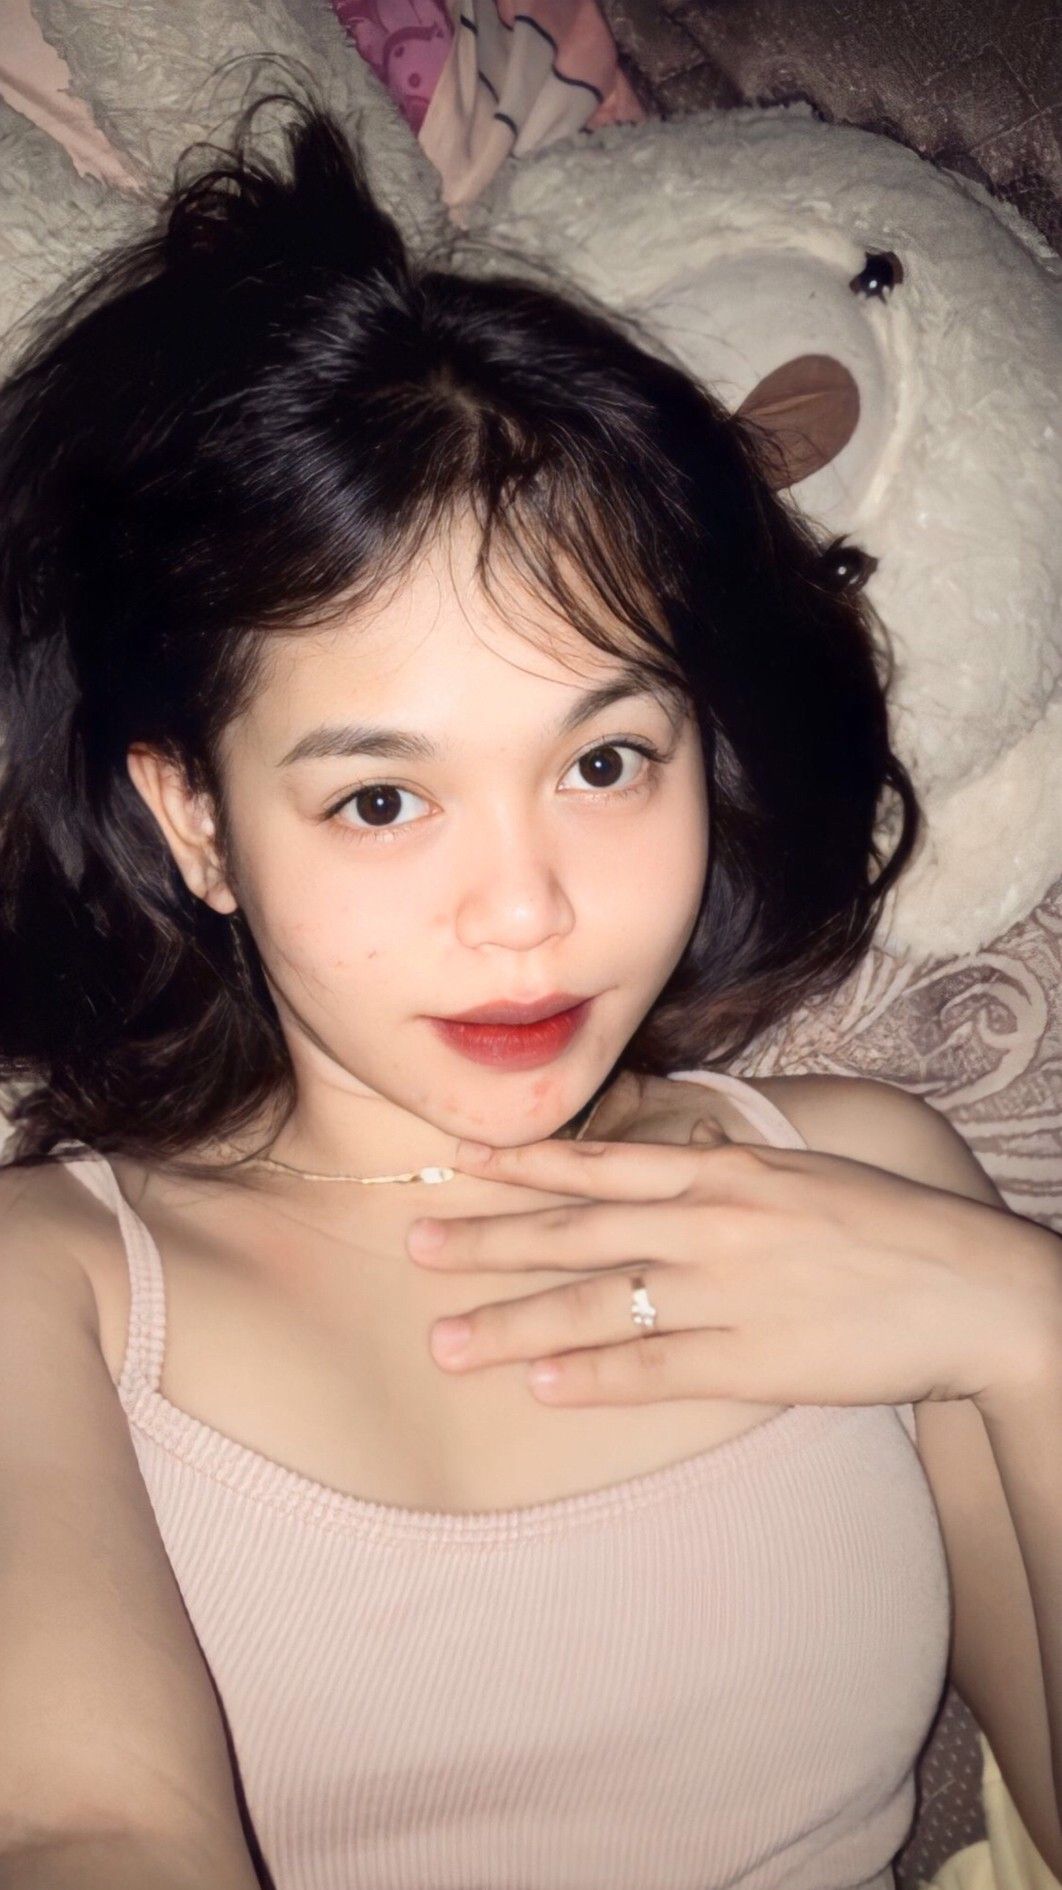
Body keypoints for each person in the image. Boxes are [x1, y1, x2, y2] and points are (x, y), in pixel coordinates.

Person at [1, 72, 1060, 1890]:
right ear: (196, 822)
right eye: (381, 797)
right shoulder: (58, 1290)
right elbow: (81, 1824)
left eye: (603, 762)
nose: (526, 913)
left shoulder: (872, 1180)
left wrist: (1028, 1331)